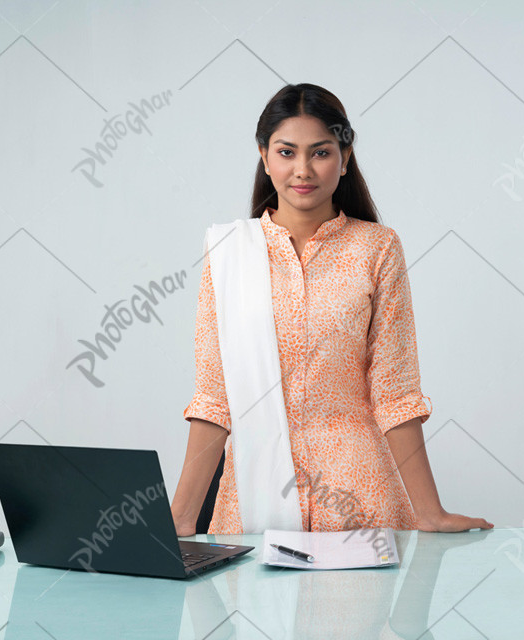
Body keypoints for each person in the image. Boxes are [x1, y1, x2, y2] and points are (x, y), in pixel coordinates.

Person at [170, 83, 494, 536]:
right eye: (286, 152)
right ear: (264, 157)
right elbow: (214, 398)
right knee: (251, 606)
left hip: (360, 503)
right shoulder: (230, 254)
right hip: (251, 506)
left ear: (344, 158)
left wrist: (429, 512)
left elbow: (395, 393)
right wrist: (181, 518)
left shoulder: (376, 249)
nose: (302, 170)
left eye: (320, 152)